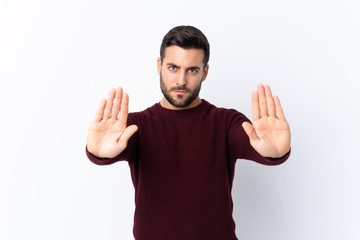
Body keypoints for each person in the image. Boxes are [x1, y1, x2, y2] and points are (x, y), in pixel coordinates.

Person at [86, 25, 291, 240]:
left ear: (205, 72)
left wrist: (274, 152)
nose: (181, 81)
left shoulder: (225, 122)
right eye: (173, 67)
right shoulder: (136, 126)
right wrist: (98, 152)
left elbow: (253, 143)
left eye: (192, 70)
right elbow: (112, 148)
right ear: (159, 66)